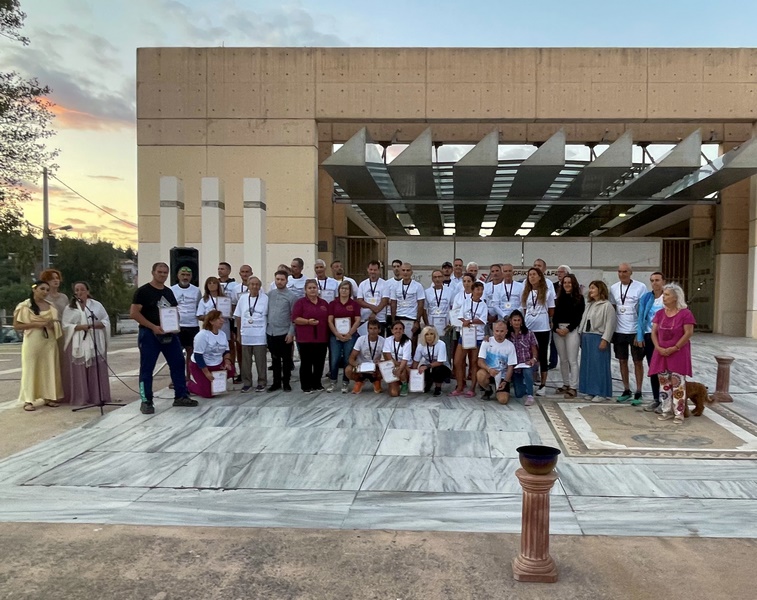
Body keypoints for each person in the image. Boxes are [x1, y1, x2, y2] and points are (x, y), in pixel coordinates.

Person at [129, 262, 195, 414]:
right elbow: (134, 313)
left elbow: (173, 311)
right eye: (160, 272)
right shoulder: (143, 291)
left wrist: (175, 324)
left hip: (169, 333)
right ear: (153, 272)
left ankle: (181, 396)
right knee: (147, 368)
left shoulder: (168, 292)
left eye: (165, 272)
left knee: (178, 363)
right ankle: (146, 400)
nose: (163, 275)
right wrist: (153, 327)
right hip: (149, 334)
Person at [649, 284, 696, 424]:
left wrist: (675, 347)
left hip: (678, 353)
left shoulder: (685, 313)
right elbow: (653, 332)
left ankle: (679, 413)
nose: (664, 297)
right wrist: (658, 347)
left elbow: (688, 333)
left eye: (667, 295)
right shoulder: (660, 313)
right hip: (661, 352)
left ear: (676, 297)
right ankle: (666, 410)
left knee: (677, 383)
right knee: (664, 383)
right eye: (663, 294)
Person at [13, 281, 63, 411]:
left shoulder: (51, 306)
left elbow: (57, 322)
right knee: (31, 369)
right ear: (34, 289)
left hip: (49, 341)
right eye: (42, 289)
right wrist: (36, 324)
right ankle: (28, 400)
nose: (45, 292)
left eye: (47, 290)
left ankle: (49, 397)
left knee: (49, 368)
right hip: (33, 341)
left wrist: (53, 324)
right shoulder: (25, 306)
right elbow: (17, 325)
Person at [61, 282, 111, 406]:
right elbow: (66, 325)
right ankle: (81, 397)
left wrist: (93, 325)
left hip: (95, 338)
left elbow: (105, 321)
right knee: (79, 371)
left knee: (96, 368)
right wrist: (81, 327)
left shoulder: (96, 305)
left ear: (88, 291)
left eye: (82, 289)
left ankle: (98, 397)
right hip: (78, 341)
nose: (79, 292)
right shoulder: (70, 308)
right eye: (77, 290)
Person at [610, 262, 648, 404]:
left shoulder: (641, 287)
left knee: (638, 361)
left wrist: (640, 333)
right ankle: (626, 389)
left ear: (631, 272)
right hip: (619, 331)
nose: (622, 274)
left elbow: (643, 311)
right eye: (619, 271)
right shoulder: (614, 288)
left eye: (625, 271)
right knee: (622, 360)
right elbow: (613, 308)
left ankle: (638, 391)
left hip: (634, 331)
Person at [578, 280, 616, 403]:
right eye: (590, 288)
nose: (591, 290)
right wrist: (581, 334)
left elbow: (610, 324)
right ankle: (590, 390)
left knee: (599, 366)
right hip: (587, 336)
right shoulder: (590, 304)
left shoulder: (607, 305)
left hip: (598, 337)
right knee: (588, 365)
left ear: (600, 289)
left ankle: (601, 392)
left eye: (593, 288)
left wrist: (605, 339)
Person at [520, 267, 555, 397]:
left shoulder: (547, 292)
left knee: (542, 355)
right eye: (530, 275)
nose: (532, 277)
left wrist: (545, 319)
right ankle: (528, 381)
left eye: (534, 274)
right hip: (529, 326)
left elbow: (551, 310)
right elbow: (525, 309)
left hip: (542, 327)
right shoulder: (525, 292)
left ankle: (543, 384)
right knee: (527, 353)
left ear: (540, 277)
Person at [450, 281, 487, 397]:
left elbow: (482, 320)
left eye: (481, 290)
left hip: (477, 336)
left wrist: (470, 321)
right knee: (457, 361)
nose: (480, 292)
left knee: (474, 362)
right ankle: (460, 386)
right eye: (477, 289)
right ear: (473, 290)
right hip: (465, 335)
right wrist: (465, 322)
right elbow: (460, 316)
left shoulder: (483, 305)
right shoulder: (466, 302)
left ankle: (472, 388)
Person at [292, 279, 329, 393]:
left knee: (319, 362)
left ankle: (317, 383)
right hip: (305, 338)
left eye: (314, 288)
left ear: (318, 289)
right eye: (310, 288)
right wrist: (307, 322)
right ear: (305, 290)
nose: (312, 290)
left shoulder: (324, 303)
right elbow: (295, 318)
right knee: (306, 363)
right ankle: (306, 385)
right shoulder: (300, 303)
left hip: (321, 338)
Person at [552, 274, 585, 398]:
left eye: (569, 282)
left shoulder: (579, 298)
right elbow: (554, 316)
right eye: (565, 282)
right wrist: (556, 328)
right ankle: (565, 384)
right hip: (558, 331)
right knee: (563, 359)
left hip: (571, 330)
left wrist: (568, 329)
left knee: (572, 360)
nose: (567, 284)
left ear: (574, 284)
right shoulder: (558, 298)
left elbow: (578, 316)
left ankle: (573, 387)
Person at [188, 310, 234, 398]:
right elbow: (198, 356)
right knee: (208, 393)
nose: (222, 320)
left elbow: (226, 351)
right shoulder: (202, 335)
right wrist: (207, 373)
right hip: (202, 365)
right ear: (211, 321)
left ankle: (213, 382)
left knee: (231, 370)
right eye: (219, 318)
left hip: (216, 363)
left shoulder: (222, 334)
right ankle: (189, 386)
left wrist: (227, 361)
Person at [234, 276, 269, 392]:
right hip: (246, 334)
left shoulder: (265, 298)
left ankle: (262, 382)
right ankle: (247, 383)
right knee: (246, 361)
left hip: (260, 335)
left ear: (260, 286)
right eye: (252, 284)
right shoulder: (243, 298)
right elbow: (238, 316)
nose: (254, 286)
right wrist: (239, 334)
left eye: (257, 284)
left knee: (260, 361)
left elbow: (268, 316)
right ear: (248, 286)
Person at [638, 272, 667, 413]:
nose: (654, 283)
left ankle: (665, 400)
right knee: (653, 368)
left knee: (664, 370)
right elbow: (640, 317)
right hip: (649, 335)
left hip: (664, 337)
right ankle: (656, 398)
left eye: (657, 280)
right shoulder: (646, 298)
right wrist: (640, 336)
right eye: (652, 280)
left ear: (663, 281)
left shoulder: (667, 297)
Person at [326, 281, 361, 393]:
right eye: (342, 288)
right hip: (335, 336)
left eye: (346, 288)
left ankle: (345, 383)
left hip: (350, 336)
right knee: (334, 359)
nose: (344, 290)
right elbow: (330, 320)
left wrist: (349, 333)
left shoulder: (354, 304)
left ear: (350, 291)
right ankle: (333, 382)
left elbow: (357, 320)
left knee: (347, 359)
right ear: (339, 290)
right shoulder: (333, 304)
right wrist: (336, 334)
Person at [266, 269, 297, 392]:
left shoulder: (292, 297)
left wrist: (291, 333)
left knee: (286, 359)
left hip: (284, 333)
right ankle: (276, 382)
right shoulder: (270, 295)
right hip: (271, 332)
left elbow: (293, 317)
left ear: (286, 281)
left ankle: (286, 383)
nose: (279, 282)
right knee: (275, 359)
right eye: (277, 279)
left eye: (282, 279)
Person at [40, 268, 69, 397]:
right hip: (48, 331)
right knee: (49, 361)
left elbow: (68, 314)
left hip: (62, 331)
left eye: (57, 278)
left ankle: (63, 391)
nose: (55, 280)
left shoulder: (64, 297)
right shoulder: (44, 297)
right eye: (52, 278)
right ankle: (49, 392)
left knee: (63, 361)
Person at [170, 266, 201, 379]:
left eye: (188, 275)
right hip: (177, 326)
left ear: (191, 277)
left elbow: (198, 306)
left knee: (191, 352)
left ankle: (188, 377)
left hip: (192, 325)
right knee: (176, 354)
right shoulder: (171, 290)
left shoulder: (196, 290)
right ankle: (177, 378)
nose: (185, 277)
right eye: (183, 274)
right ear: (178, 276)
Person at [476, 320, 517, 404]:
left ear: (506, 331)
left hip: (502, 375)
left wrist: (505, 381)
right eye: (497, 331)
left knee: (503, 400)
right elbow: (480, 361)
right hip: (489, 372)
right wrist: (489, 369)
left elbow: (510, 367)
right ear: (493, 331)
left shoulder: (510, 345)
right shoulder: (486, 342)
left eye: (502, 331)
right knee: (480, 375)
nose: (499, 333)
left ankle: (501, 389)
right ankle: (488, 389)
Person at [506, 310, 538, 406]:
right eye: (514, 320)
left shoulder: (529, 333)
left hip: (527, 363)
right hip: (515, 366)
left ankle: (530, 395)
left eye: (518, 320)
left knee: (527, 372)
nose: (516, 322)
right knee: (519, 394)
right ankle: (526, 386)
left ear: (522, 321)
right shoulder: (507, 335)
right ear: (510, 322)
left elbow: (534, 350)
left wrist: (533, 359)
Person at [389, 263, 425, 346]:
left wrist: (417, 321)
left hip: (412, 318)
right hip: (399, 317)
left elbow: (421, 304)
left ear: (411, 272)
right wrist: (393, 321)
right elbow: (393, 304)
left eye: (408, 270)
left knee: (412, 344)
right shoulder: (395, 286)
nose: (405, 272)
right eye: (403, 270)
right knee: (398, 344)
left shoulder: (418, 286)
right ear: (400, 272)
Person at [345, 319, 385, 394]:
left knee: (385, 368)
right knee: (348, 370)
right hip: (361, 367)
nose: (373, 331)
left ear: (379, 330)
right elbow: (351, 358)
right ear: (367, 330)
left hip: (375, 367)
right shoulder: (360, 339)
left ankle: (376, 381)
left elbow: (385, 358)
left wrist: (380, 362)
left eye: (375, 328)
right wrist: (356, 365)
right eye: (370, 328)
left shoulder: (383, 341)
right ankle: (359, 381)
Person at [412, 326, 450, 397]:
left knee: (438, 369)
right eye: (427, 334)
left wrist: (427, 366)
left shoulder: (441, 344)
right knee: (421, 368)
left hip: (442, 367)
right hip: (428, 366)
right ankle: (428, 383)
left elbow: (440, 362)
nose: (429, 336)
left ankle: (438, 388)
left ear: (435, 335)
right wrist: (413, 374)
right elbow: (416, 361)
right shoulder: (420, 346)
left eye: (431, 334)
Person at [356, 260, 388, 335]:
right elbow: (360, 300)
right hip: (365, 318)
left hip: (380, 319)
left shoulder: (385, 284)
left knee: (379, 340)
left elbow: (384, 301)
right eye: (371, 269)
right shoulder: (363, 284)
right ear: (367, 270)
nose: (373, 272)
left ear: (379, 270)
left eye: (375, 270)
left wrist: (375, 312)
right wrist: (372, 307)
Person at [196, 276, 232, 341]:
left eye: (214, 283)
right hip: (210, 329)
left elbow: (230, 315)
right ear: (206, 286)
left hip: (224, 328)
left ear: (218, 285)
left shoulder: (226, 299)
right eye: (209, 283)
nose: (212, 285)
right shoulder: (204, 300)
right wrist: (212, 318)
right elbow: (199, 316)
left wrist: (229, 313)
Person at [382, 321, 411, 397]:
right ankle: (395, 383)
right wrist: (397, 366)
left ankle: (404, 383)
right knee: (394, 393)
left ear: (403, 331)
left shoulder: (407, 341)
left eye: (400, 329)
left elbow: (405, 360)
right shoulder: (388, 340)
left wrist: (400, 368)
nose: (398, 331)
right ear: (392, 331)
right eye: (396, 329)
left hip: (404, 366)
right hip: (393, 365)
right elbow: (388, 356)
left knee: (402, 369)